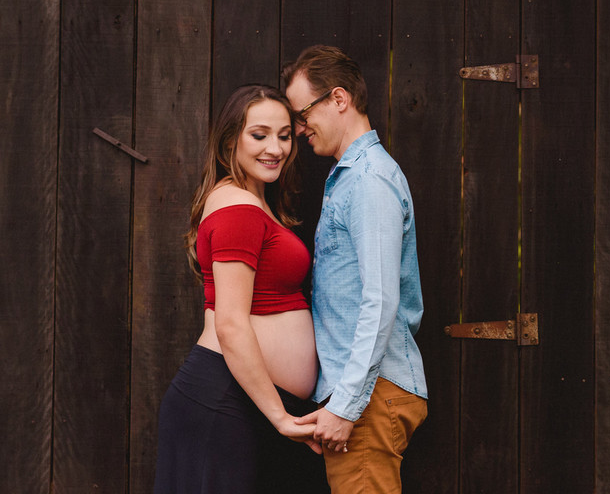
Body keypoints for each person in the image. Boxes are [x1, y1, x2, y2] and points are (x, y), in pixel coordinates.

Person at [154, 84, 328, 494]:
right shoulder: (238, 208)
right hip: (225, 401)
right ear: (231, 139)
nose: (276, 148)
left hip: (244, 401)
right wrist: (281, 418)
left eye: (285, 135)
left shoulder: (253, 201)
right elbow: (230, 324)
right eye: (260, 134)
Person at [282, 45, 427, 493]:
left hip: (369, 398)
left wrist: (345, 406)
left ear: (339, 100)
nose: (301, 129)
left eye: (304, 114)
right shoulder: (352, 177)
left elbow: (380, 300)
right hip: (366, 394)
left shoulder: (368, 181)